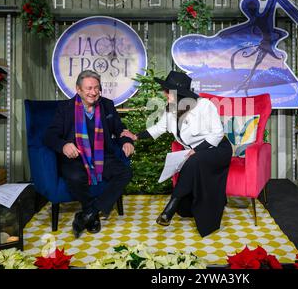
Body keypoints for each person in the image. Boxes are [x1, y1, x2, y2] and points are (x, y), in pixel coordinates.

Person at [122, 71, 232, 237]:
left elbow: (217, 134)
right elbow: (159, 128)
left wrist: (196, 150)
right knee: (193, 161)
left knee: (193, 161)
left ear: (178, 93)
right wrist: (135, 136)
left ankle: (171, 207)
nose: (164, 94)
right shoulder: (172, 110)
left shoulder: (205, 106)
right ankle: (178, 205)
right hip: (195, 155)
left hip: (217, 150)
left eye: (167, 91)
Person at [43, 70, 134, 238]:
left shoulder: (107, 104)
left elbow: (119, 129)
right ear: (78, 89)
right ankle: (91, 212)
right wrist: (63, 145)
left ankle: (90, 212)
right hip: (76, 158)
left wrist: (126, 141)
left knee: (125, 172)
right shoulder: (65, 108)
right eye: (89, 88)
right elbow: (50, 136)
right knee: (76, 177)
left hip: (102, 157)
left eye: (97, 88)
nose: (93, 92)